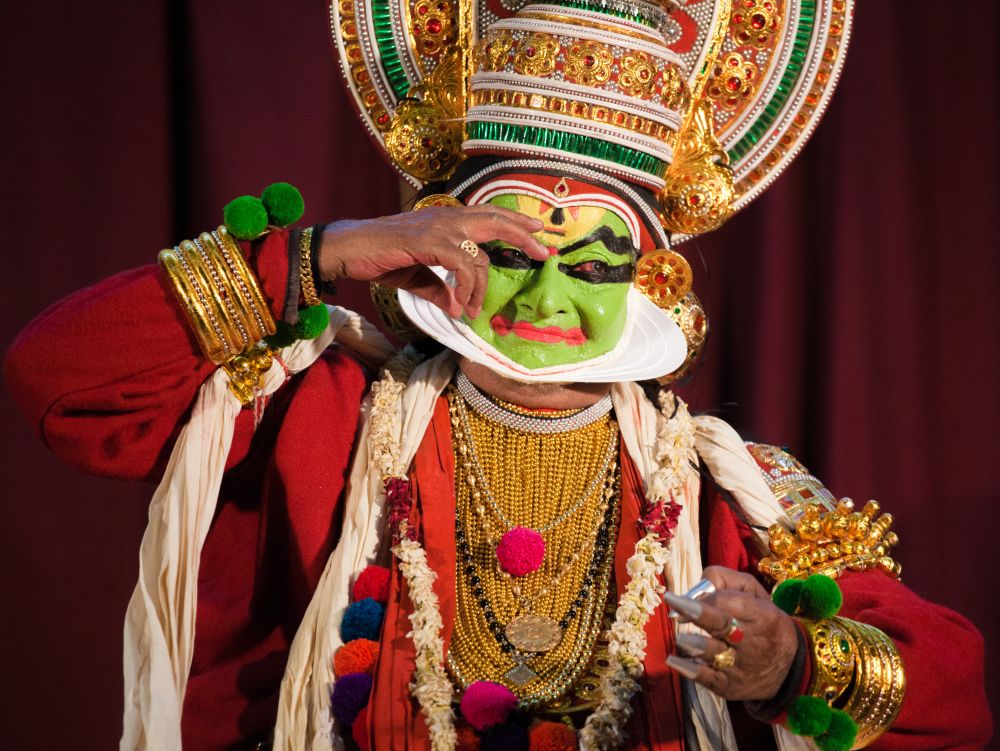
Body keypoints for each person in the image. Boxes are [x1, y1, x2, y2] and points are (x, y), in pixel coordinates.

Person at [4, 0, 992, 749]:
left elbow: (955, 699)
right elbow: (60, 377)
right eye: (507, 252)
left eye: (594, 265)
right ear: (432, 246)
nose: (547, 302)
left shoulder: (722, 489)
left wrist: (788, 663)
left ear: (653, 281)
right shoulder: (316, 415)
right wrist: (323, 252)